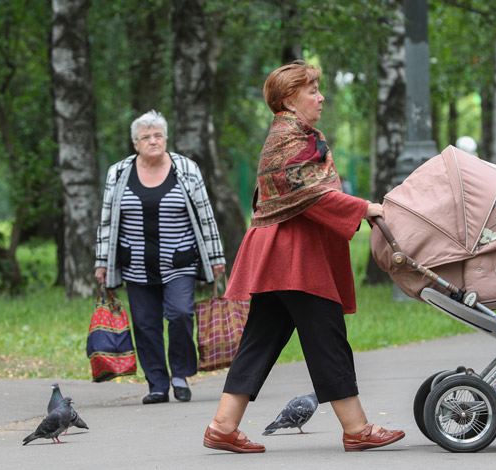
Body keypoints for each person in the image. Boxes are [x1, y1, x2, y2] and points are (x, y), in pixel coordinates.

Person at [202, 61, 405, 454]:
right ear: (288, 101)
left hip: (283, 255)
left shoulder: (296, 135)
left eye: (318, 88)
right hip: (293, 258)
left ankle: (223, 426)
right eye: (312, 90)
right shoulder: (289, 139)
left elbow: (301, 193)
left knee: (260, 340)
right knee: (326, 337)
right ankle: (356, 428)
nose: (320, 96)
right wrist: (366, 208)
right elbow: (311, 195)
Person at [94, 110, 226, 404]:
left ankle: (180, 374)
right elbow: (106, 221)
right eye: (146, 137)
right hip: (136, 264)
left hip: (179, 261)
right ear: (135, 143)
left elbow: (206, 216)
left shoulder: (187, 169)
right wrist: (102, 262)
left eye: (158, 135)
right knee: (145, 324)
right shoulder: (118, 173)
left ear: (165, 138)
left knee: (180, 314)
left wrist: (216, 255)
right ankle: (157, 383)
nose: (153, 141)